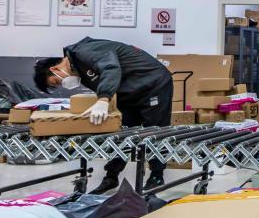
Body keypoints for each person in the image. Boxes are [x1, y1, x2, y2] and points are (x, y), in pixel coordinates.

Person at [34, 37, 174, 193]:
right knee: (122, 132)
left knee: (154, 130)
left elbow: (111, 68)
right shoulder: (80, 70)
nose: (62, 84)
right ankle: (111, 176)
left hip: (153, 83)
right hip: (129, 91)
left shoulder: (84, 52)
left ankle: (156, 176)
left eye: (56, 82)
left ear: (55, 69)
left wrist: (103, 100)